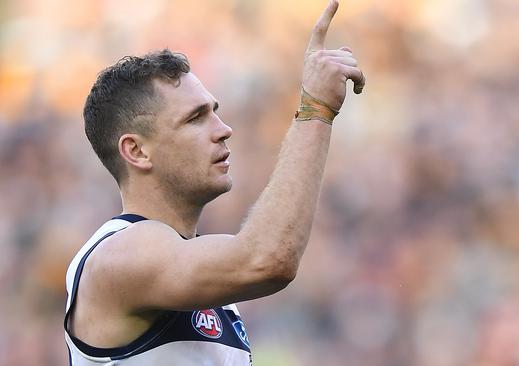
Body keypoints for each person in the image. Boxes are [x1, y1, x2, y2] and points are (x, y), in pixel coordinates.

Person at [64, 1, 365, 364]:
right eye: (195, 119)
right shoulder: (120, 255)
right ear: (137, 151)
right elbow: (268, 258)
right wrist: (316, 108)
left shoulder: (194, 268)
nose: (224, 131)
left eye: (215, 112)